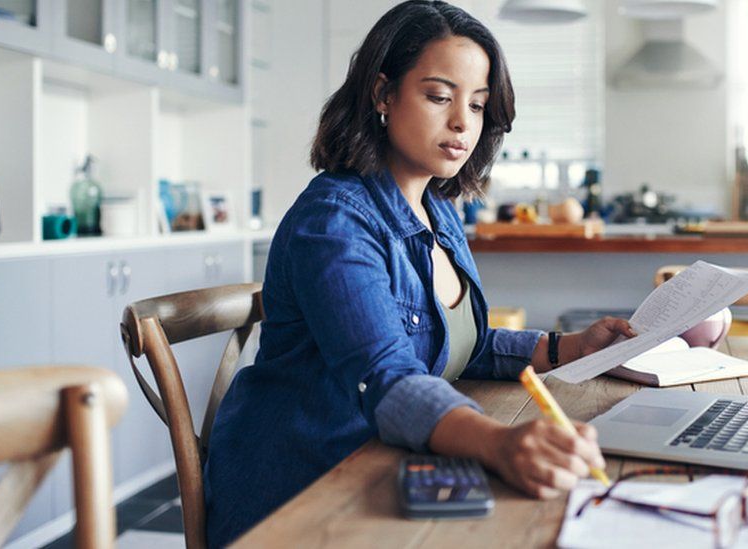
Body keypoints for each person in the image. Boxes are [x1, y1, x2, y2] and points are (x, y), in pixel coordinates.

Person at [203, 1, 634, 545]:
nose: (462, 122)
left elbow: (459, 346)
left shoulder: (440, 210)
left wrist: (571, 347)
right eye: (438, 97)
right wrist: (500, 442)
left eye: (477, 106)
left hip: (384, 465)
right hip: (305, 492)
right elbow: (388, 375)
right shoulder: (334, 222)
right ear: (383, 94)